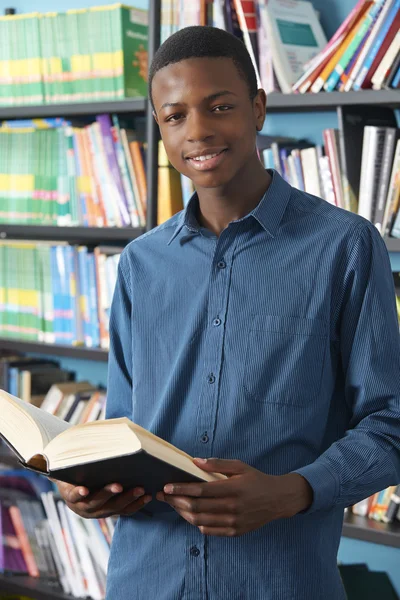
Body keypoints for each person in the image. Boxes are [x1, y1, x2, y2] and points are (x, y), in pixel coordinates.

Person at [56, 26, 400, 600]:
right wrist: (94, 485)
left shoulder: (346, 247)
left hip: (278, 582)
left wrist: (292, 491)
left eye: (220, 106)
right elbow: (122, 428)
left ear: (259, 108)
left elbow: (391, 426)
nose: (199, 131)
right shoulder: (141, 264)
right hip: (146, 580)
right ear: (161, 131)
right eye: (175, 116)